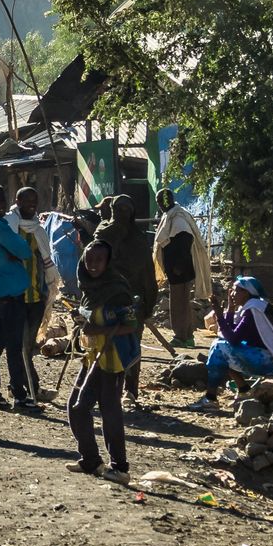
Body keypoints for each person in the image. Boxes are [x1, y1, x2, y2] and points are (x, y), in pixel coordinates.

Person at [65, 242, 139, 483]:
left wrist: (98, 328)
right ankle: (91, 461)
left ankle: (119, 467)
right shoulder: (89, 287)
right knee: (75, 407)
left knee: (106, 410)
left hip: (112, 358)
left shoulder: (117, 289)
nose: (92, 264)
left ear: (108, 262)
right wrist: (79, 316)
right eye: (89, 259)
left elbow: (130, 324)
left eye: (98, 260)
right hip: (92, 355)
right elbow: (89, 313)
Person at [0, 183, 41, 413]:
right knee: (13, 347)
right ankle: (19, 396)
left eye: (3, 201)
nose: (1, 205)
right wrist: (15, 252)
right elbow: (24, 251)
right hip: (11, 292)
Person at [189, 276, 273, 410]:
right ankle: (243, 389)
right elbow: (231, 333)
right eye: (232, 291)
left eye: (237, 291)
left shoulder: (253, 310)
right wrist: (230, 309)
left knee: (219, 347)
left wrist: (220, 315)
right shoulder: (257, 306)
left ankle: (211, 398)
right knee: (223, 347)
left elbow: (232, 338)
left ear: (247, 293)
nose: (233, 294)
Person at [93, 194, 159, 404]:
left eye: (125, 210)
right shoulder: (103, 234)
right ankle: (105, 388)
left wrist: (149, 301)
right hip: (106, 299)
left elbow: (148, 273)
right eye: (118, 210)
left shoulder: (137, 239)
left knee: (131, 344)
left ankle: (130, 389)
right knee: (104, 343)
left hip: (132, 300)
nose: (121, 214)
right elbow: (90, 267)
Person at [7, 187, 58, 401]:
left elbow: (46, 261)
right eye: (27, 200)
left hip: (37, 296)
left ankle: (19, 386)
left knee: (27, 346)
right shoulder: (8, 225)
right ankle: (30, 388)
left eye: (34, 201)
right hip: (15, 296)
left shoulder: (38, 228)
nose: (31, 204)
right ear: (17, 200)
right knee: (22, 347)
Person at [152, 188, 210, 347]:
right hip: (175, 270)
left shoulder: (178, 219)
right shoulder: (170, 216)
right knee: (179, 302)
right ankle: (184, 335)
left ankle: (183, 337)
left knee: (181, 303)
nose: (160, 206)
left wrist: (178, 266)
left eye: (161, 202)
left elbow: (185, 241)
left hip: (181, 270)